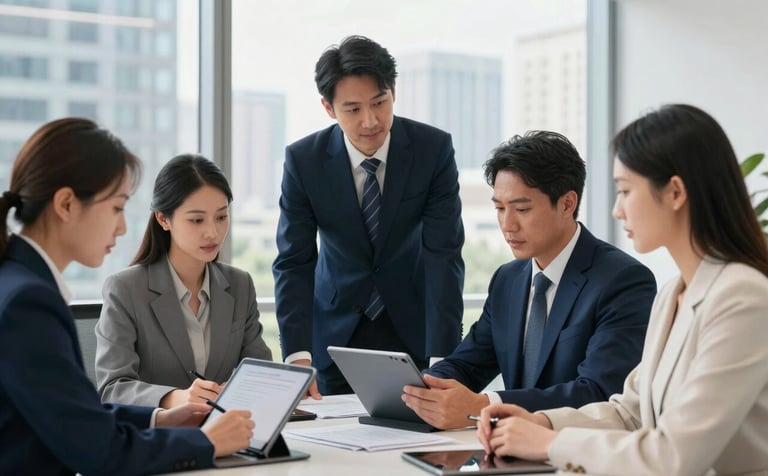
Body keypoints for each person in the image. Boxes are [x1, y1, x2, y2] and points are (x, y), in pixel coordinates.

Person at [476, 104, 768, 475]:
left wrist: (551, 443)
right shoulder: (673, 294)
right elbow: (630, 411)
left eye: (625, 191)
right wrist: (544, 423)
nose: (617, 210)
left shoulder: (743, 298)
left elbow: (673, 456)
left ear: (675, 192)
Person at [0, 118, 254, 474]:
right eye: (117, 207)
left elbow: (73, 414)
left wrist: (158, 418)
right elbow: (98, 451)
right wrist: (207, 442)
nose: (121, 227)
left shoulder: (17, 283)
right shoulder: (28, 302)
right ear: (67, 204)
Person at [402, 131, 657, 430]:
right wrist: (416, 390)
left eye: (522, 209)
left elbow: (600, 391)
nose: (507, 225)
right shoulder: (507, 280)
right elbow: (467, 364)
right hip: (511, 452)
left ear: (567, 204)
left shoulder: (623, 281)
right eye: (499, 208)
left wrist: (486, 405)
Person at [273, 35, 465, 396]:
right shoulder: (304, 161)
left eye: (380, 102)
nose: (370, 120)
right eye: (352, 109)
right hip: (332, 337)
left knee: (419, 445)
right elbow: (293, 261)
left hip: (413, 329)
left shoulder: (432, 150)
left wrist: (444, 356)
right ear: (329, 108)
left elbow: (445, 255)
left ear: (394, 91)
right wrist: (298, 355)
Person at [95, 154, 273, 408]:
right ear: (163, 219)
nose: (212, 232)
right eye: (197, 220)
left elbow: (261, 373)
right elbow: (112, 388)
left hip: (231, 434)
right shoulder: (125, 289)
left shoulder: (240, 284)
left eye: (221, 217)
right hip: (159, 438)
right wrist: (174, 398)